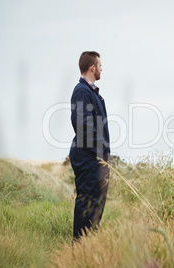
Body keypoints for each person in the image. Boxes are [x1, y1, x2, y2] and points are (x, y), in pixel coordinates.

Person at [69, 51, 110, 241]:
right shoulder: (82, 90)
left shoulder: (91, 92)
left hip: (96, 158)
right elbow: (83, 125)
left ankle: (90, 247)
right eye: (100, 65)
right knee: (87, 202)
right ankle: (79, 248)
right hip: (88, 158)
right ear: (92, 68)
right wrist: (100, 153)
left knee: (96, 203)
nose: (102, 68)